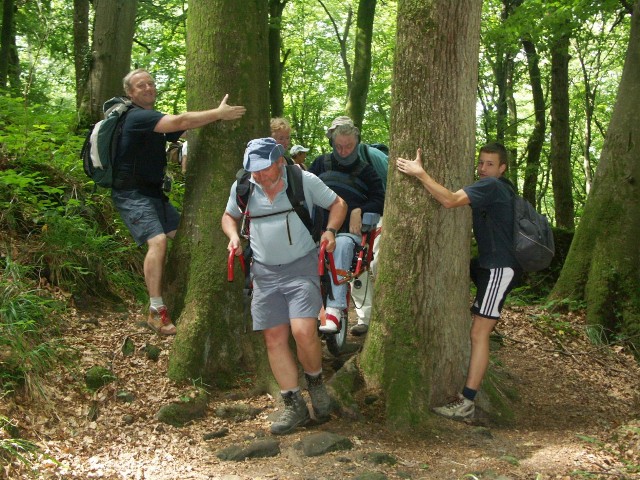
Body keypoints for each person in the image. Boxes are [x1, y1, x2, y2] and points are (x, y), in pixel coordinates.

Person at [222, 138, 347, 435]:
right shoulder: (243, 186)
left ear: (279, 162)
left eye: (265, 169)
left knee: (303, 331)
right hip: (263, 273)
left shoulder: (302, 180)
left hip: (301, 266)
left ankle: (315, 382)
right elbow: (229, 216)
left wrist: (330, 231)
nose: (260, 176)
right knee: (274, 339)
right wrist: (233, 237)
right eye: (254, 171)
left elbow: (338, 204)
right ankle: (294, 404)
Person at [112, 68, 246, 336]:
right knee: (158, 241)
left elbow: (184, 127)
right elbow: (181, 120)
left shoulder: (151, 120)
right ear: (130, 93)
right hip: (132, 195)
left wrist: (211, 122)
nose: (148, 87)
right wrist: (218, 113)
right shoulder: (136, 117)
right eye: (141, 85)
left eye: (150, 83)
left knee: (186, 236)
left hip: (153, 195)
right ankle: (155, 309)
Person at [396, 142, 522, 421]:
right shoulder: (499, 188)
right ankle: (468, 398)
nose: (483, 168)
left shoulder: (492, 186)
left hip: (499, 268)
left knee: (479, 333)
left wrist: (420, 174)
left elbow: (450, 200)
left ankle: (467, 401)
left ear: (502, 168)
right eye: (481, 163)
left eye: (490, 164)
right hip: (491, 267)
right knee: (477, 330)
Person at [308, 117, 385, 334]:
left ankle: (335, 308)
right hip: (318, 229)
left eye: (348, 146)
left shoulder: (367, 170)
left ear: (357, 143)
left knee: (340, 245)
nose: (343, 151)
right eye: (338, 146)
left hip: (348, 234)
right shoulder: (320, 163)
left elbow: (380, 197)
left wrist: (359, 209)